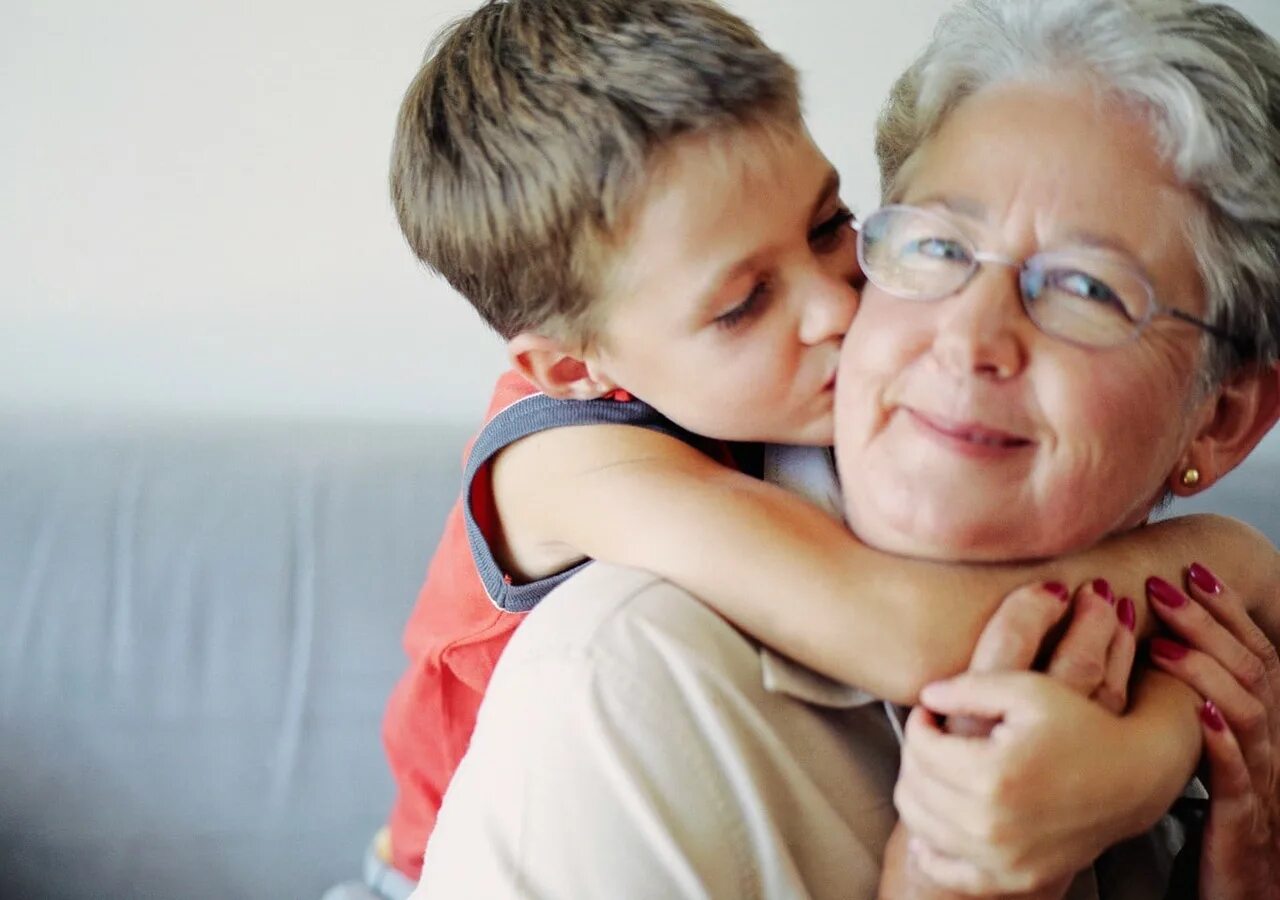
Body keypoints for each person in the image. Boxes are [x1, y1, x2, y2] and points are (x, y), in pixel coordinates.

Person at [368, 1, 1280, 894]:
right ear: (572, 366)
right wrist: (1216, 588)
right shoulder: (572, 484)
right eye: (742, 304)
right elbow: (906, 629)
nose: (839, 308)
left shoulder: (768, 401)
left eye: (827, 228)